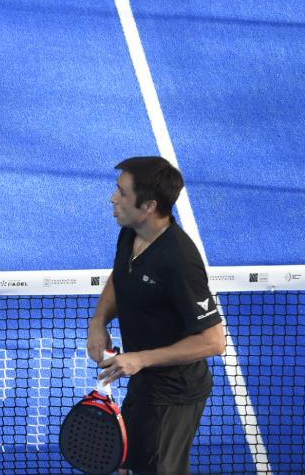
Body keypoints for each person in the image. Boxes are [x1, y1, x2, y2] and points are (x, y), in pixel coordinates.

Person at [86, 157, 227, 474]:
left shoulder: (179, 261)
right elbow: (121, 275)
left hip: (174, 397)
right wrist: (98, 322)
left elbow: (214, 341)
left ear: (148, 206)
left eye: (122, 192)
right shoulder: (131, 231)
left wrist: (140, 359)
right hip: (145, 385)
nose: (113, 198)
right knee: (127, 465)